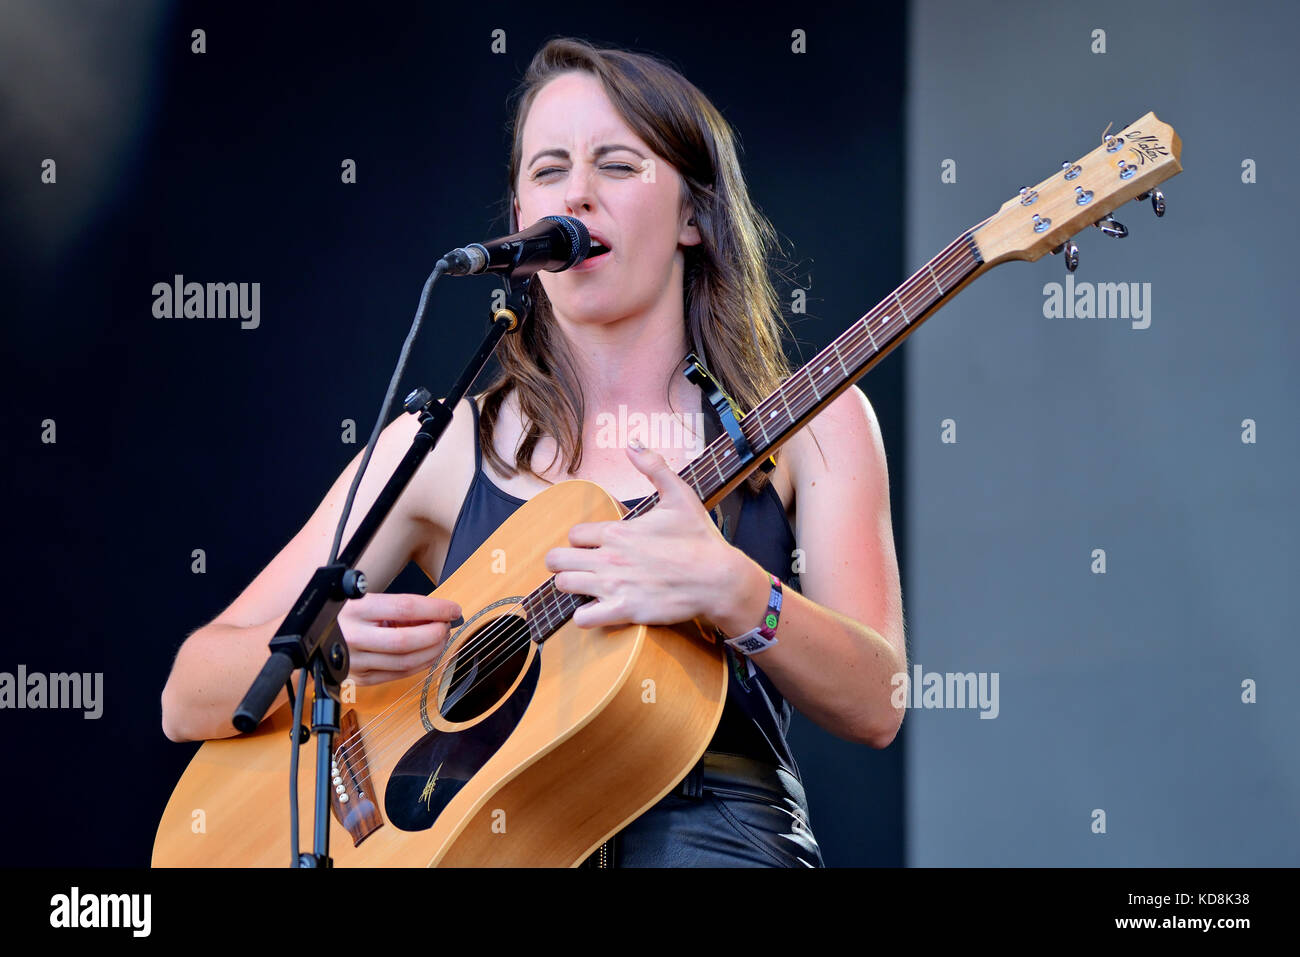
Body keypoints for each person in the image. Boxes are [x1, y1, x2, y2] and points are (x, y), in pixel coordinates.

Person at [160, 37, 906, 867]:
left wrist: (738, 591)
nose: (577, 195)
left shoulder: (813, 422)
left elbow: (879, 703)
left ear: (694, 216)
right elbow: (187, 691)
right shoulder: (442, 445)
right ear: (520, 221)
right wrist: (327, 661)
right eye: (548, 170)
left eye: (618, 166)